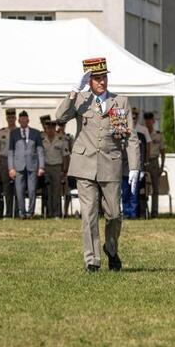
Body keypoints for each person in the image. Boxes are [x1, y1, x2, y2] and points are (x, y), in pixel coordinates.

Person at [54, 57, 140, 272]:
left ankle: (111, 249)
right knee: (89, 214)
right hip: (84, 165)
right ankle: (92, 260)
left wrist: (135, 166)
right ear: (89, 80)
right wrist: (74, 90)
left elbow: (130, 137)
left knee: (114, 215)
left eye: (104, 77)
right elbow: (60, 116)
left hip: (111, 163)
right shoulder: (81, 100)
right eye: (97, 78)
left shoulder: (120, 101)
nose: (102, 82)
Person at [7, 110, 45, 219]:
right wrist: (11, 168)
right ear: (18, 121)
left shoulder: (35, 133)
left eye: (25, 119)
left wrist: (41, 166)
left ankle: (30, 213)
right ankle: (22, 212)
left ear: (28, 120)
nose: (23, 121)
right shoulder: (14, 133)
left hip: (32, 165)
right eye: (21, 120)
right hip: (18, 166)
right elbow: (11, 152)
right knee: (19, 190)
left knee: (32, 190)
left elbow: (40, 150)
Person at [42, 119, 69, 219]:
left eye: (52, 128)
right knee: (48, 191)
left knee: (57, 192)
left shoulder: (61, 140)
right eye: (48, 128)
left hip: (57, 167)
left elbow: (65, 156)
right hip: (46, 167)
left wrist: (64, 170)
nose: (50, 130)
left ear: (55, 128)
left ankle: (57, 213)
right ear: (46, 128)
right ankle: (49, 212)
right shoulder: (42, 140)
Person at [143, 111, 165, 217]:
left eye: (150, 119)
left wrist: (162, 166)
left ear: (153, 121)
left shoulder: (158, 135)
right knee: (144, 188)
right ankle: (144, 211)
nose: (148, 122)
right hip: (145, 161)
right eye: (146, 120)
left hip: (155, 161)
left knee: (155, 188)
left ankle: (154, 212)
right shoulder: (142, 133)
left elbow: (162, 151)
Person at [0, 107, 17, 219]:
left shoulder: (19, 131)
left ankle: (17, 211)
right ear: (6, 118)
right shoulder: (2, 132)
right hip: (4, 160)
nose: (10, 119)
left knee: (18, 187)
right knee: (6, 188)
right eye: (9, 117)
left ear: (15, 118)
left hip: (16, 160)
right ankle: (8, 212)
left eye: (12, 117)